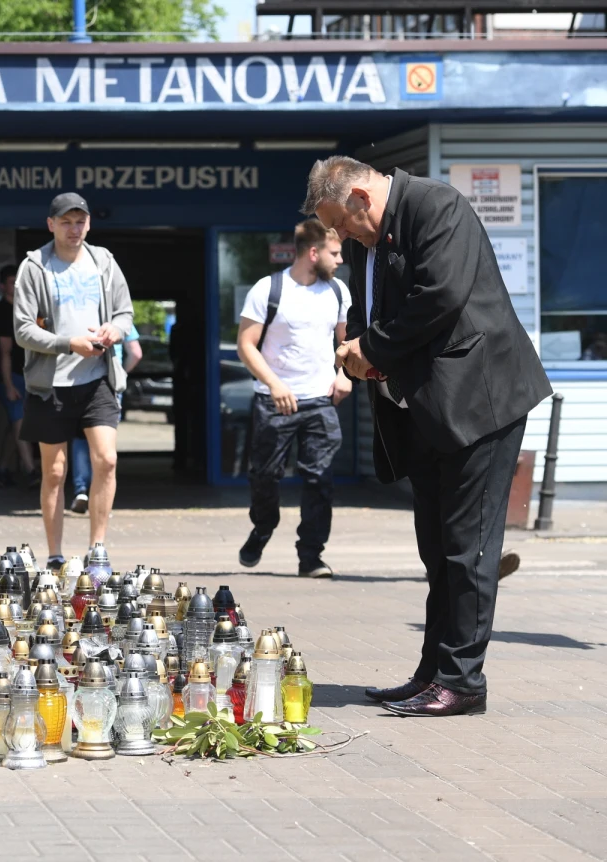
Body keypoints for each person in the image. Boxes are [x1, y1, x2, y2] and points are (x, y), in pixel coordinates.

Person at [305, 155, 551, 717]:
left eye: (343, 225)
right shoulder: (376, 235)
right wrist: (361, 348)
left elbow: (440, 296)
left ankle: (463, 682)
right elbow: (382, 310)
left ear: (362, 198)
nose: (342, 238)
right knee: (438, 548)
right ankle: (432, 673)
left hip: (480, 405)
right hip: (433, 410)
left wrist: (371, 350)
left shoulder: (437, 206)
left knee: (468, 549)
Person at [14, 193, 134, 572]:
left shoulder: (104, 262)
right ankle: (54, 555)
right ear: (51, 224)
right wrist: (69, 344)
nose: (74, 228)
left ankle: (97, 551)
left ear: (89, 224)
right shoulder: (35, 267)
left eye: (80, 221)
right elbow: (22, 330)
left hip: (97, 379)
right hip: (51, 385)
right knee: (54, 472)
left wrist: (114, 330)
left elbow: (124, 312)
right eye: (66, 222)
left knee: (108, 460)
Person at [236, 220, 352, 578]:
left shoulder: (337, 291)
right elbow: (245, 345)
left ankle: (311, 556)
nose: (340, 259)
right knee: (266, 476)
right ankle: (263, 527)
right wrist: (274, 384)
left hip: (320, 400)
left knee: (320, 478)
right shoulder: (268, 289)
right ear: (313, 253)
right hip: (275, 401)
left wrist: (344, 375)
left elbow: (345, 343)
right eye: (335, 253)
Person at [69, 325, 141, 513]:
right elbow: (136, 353)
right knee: (104, 446)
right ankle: (99, 498)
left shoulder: (82, 316)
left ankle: (81, 491)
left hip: (76, 382)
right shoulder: (120, 321)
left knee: (80, 438)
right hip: (109, 386)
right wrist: (122, 374)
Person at [0, 264, 39, 488]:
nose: (17, 286)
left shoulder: (27, 309)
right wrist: (9, 384)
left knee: (16, 425)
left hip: (29, 374)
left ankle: (2, 469)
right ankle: (31, 470)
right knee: (21, 423)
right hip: (11, 377)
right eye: (12, 282)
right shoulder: (1, 312)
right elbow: (5, 352)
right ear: (2, 286)